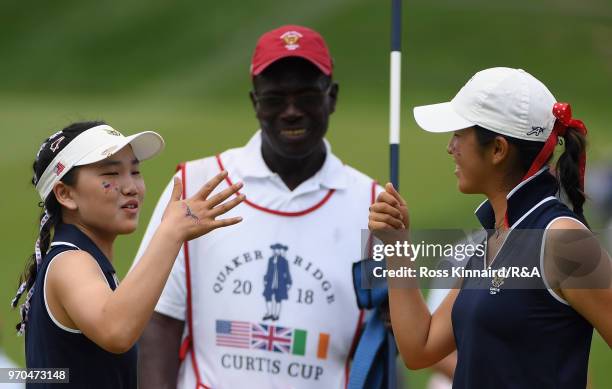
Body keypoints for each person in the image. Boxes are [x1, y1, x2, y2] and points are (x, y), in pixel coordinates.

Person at [134, 25, 381, 389]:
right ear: (254, 103)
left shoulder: (376, 206)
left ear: (333, 97)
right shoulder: (196, 183)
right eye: (274, 98)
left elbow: (388, 341)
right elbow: (158, 321)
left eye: (307, 95)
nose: (291, 111)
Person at [368, 68, 612, 388]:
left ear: (497, 149)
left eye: (459, 135)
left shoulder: (563, 239)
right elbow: (420, 347)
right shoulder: (490, 243)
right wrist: (398, 246)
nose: (450, 147)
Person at [11, 121, 244, 388]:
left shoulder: (86, 262)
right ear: (65, 194)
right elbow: (116, 331)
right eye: (110, 174)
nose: (131, 186)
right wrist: (170, 233)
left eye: (135, 171)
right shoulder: (70, 263)